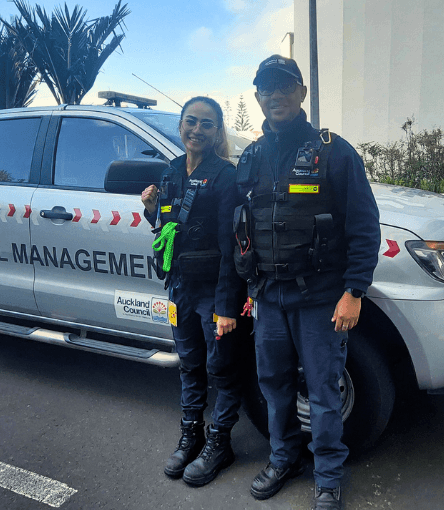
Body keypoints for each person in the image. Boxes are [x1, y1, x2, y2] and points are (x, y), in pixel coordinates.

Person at [234, 55, 380, 509]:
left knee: (323, 390)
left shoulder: (334, 151)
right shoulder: (253, 155)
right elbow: (243, 224)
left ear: (300, 93)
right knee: (274, 385)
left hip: (320, 299)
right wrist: (246, 287)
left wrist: (354, 291)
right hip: (269, 299)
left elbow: (364, 224)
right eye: (265, 87)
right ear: (257, 97)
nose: (274, 94)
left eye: (283, 85)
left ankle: (329, 477)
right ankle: (283, 459)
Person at [141, 96, 245, 487]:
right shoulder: (170, 172)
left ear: (217, 131)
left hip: (213, 292)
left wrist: (226, 306)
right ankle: (192, 435)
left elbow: (231, 246)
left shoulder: (225, 176)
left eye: (206, 124)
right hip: (180, 287)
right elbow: (168, 229)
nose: (197, 130)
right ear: (181, 126)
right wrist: (153, 209)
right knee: (189, 363)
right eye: (191, 122)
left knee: (221, 367)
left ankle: (220, 442)